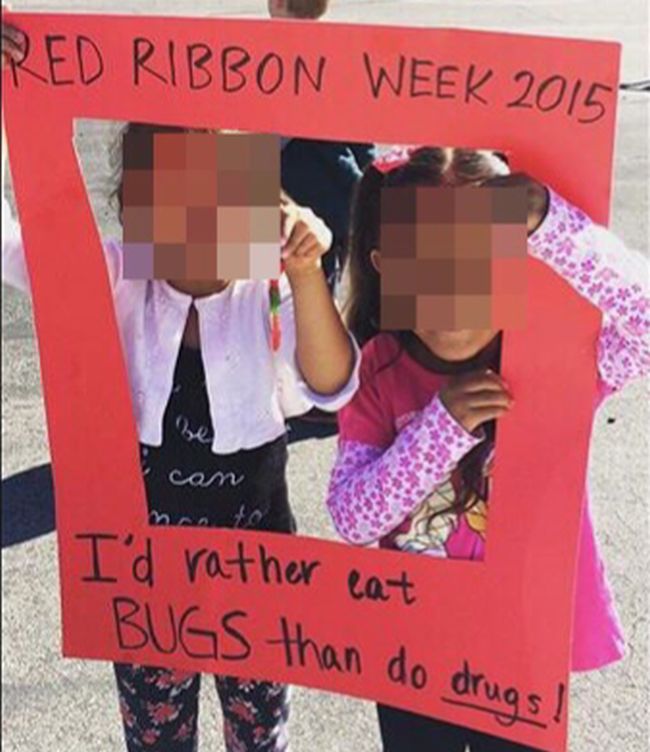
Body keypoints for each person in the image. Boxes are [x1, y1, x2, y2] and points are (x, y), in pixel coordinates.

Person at [1, 22, 359, 752]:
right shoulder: (112, 278)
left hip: (256, 571)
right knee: (157, 739)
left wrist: (303, 275)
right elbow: (12, 240)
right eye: (169, 191)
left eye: (219, 189)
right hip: (141, 583)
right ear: (135, 203)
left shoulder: (268, 285)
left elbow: (330, 386)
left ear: (257, 195)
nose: (196, 216)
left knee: (261, 736)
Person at [325, 146, 650, 751]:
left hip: (523, 637)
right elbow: (351, 514)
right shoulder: (378, 366)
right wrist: (440, 428)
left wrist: (552, 225)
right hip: (416, 645)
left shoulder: (551, 359)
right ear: (385, 267)